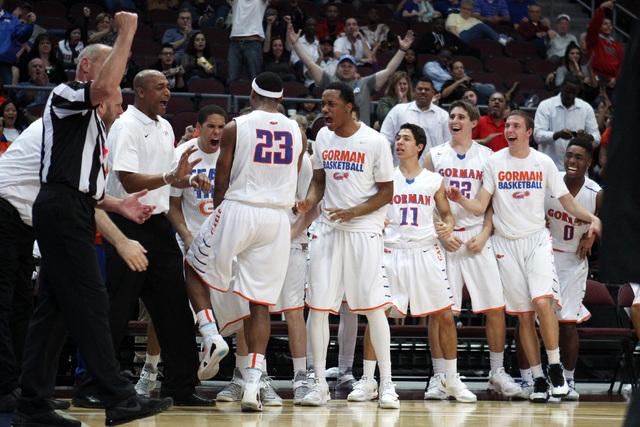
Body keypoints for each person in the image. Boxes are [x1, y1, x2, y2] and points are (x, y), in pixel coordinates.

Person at [12, 13, 174, 426]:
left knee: (54, 312)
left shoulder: (94, 130)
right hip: (60, 209)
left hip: (71, 208)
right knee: (90, 302)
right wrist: (129, 33)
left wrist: (118, 207)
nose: (117, 97)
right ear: (89, 67)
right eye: (115, 81)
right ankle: (118, 397)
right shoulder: (66, 94)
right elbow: (103, 88)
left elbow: (90, 188)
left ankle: (31, 404)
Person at [0, 87, 147, 416]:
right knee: (8, 307)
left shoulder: (89, 132)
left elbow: (84, 192)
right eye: (119, 105)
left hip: (28, 221)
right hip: (5, 210)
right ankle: (10, 390)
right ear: (101, 101)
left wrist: (120, 205)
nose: (122, 112)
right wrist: (121, 240)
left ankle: (29, 395)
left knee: (33, 309)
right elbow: (73, 194)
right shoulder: (66, 126)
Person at [446, 110, 602, 403]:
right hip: (505, 244)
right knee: (524, 317)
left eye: (516, 125)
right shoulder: (494, 162)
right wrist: (460, 199)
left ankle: (554, 368)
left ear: (529, 132)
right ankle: (538, 378)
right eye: (507, 125)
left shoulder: (543, 163)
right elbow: (481, 207)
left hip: (537, 242)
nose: (509, 129)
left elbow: (567, 202)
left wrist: (593, 219)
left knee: (542, 302)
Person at [85, 68, 215, 408]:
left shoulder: (165, 126)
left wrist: (188, 182)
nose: (167, 91)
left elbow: (169, 179)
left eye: (168, 86)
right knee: (116, 308)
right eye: (160, 86)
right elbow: (128, 180)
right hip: (127, 224)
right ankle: (93, 385)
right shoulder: (126, 126)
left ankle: (181, 387)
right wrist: (172, 176)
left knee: (174, 308)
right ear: (140, 92)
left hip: (158, 226)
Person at [185, 71, 305, 412]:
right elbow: (293, 176)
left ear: (252, 94)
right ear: (280, 98)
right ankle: (252, 384)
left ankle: (210, 336)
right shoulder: (298, 131)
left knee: (192, 266)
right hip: (277, 218)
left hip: (240, 207)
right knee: (260, 303)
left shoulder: (237, 126)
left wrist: (220, 221)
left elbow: (220, 180)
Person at [295, 82, 398, 409]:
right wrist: (309, 200)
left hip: (364, 231)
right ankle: (319, 384)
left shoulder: (375, 141)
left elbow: (386, 192)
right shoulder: (323, 138)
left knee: (372, 308)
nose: (323, 110)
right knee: (319, 307)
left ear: (349, 107)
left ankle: (388, 385)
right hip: (328, 230)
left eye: (330, 104)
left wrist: (354, 211)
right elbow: (320, 180)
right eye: (322, 104)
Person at [131, 104, 229, 398]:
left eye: (222, 127)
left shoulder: (230, 155)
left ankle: (240, 377)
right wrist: (186, 236)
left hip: (221, 242)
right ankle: (149, 370)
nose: (217, 132)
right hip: (187, 239)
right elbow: (171, 206)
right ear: (199, 127)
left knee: (238, 311)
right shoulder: (183, 154)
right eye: (211, 126)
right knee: (167, 312)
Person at [375, 123, 477, 404]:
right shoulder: (385, 178)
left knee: (444, 315)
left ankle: (451, 380)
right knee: (378, 316)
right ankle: (377, 382)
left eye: (405, 138)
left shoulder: (433, 179)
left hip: (425, 252)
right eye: (397, 138)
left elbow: (447, 214)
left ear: (419, 146)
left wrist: (447, 227)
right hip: (391, 251)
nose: (399, 142)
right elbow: (376, 210)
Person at [425, 101, 519, 401]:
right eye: (452, 116)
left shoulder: (488, 157)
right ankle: (439, 376)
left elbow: (493, 205)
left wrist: (486, 233)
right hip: (445, 239)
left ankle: (496, 373)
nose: (455, 120)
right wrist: (440, 232)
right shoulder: (434, 156)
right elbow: (422, 200)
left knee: (495, 307)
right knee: (440, 312)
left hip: (478, 237)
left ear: (474, 123)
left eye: (461, 117)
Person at [544, 137, 603, 401]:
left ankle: (569, 379)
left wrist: (593, 235)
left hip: (573, 261)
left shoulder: (596, 193)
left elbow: (609, 223)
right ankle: (533, 379)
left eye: (579, 157)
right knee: (536, 324)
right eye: (569, 155)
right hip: (542, 256)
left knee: (567, 324)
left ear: (589, 162)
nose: (572, 161)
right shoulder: (550, 181)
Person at [288, 24, 415, 127]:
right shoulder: (330, 82)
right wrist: (296, 44)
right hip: (336, 133)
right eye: (343, 66)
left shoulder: (366, 83)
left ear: (355, 69)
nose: (346, 69)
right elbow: (310, 64)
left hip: (361, 136)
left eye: (350, 66)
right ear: (337, 68)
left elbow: (389, 71)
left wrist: (402, 50)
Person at [533, 74, 600, 171]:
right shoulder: (546, 106)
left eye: (574, 92)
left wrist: (587, 137)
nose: (570, 95)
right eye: (568, 91)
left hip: (578, 169)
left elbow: (597, 138)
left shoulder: (586, 108)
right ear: (562, 87)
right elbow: (538, 136)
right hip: (550, 167)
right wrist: (557, 135)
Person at [380, 77, 451, 163]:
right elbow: (384, 140)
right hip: (400, 170)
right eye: (420, 89)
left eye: (427, 89)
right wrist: (389, 163)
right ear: (414, 91)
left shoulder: (443, 116)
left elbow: (449, 145)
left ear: (433, 93)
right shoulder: (398, 111)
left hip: (433, 171)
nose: (423, 92)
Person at [227, 0, 271, 86]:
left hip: (253, 43)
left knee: (254, 80)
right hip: (235, 43)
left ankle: (256, 99)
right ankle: (231, 99)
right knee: (232, 80)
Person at [586, 0, 623, 95]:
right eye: (605, 24)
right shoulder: (594, 40)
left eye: (610, 24)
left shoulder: (617, 45)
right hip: (598, 80)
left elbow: (621, 65)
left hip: (613, 82)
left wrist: (615, 78)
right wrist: (601, 9)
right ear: (600, 26)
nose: (608, 26)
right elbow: (593, 28)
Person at [0, 0, 35, 88]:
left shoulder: (12, 19)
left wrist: (29, 25)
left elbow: (22, 37)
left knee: (6, 93)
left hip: (5, 63)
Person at [446, 0, 510, 46]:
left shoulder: (475, 20)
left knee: (486, 31)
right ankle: (502, 40)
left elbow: (485, 31)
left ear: (472, 11)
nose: (465, 11)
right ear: (460, 8)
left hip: (473, 39)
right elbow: (452, 28)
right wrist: (458, 39)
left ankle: (501, 38)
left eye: (468, 9)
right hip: (459, 36)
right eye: (464, 8)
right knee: (481, 26)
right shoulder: (453, 16)